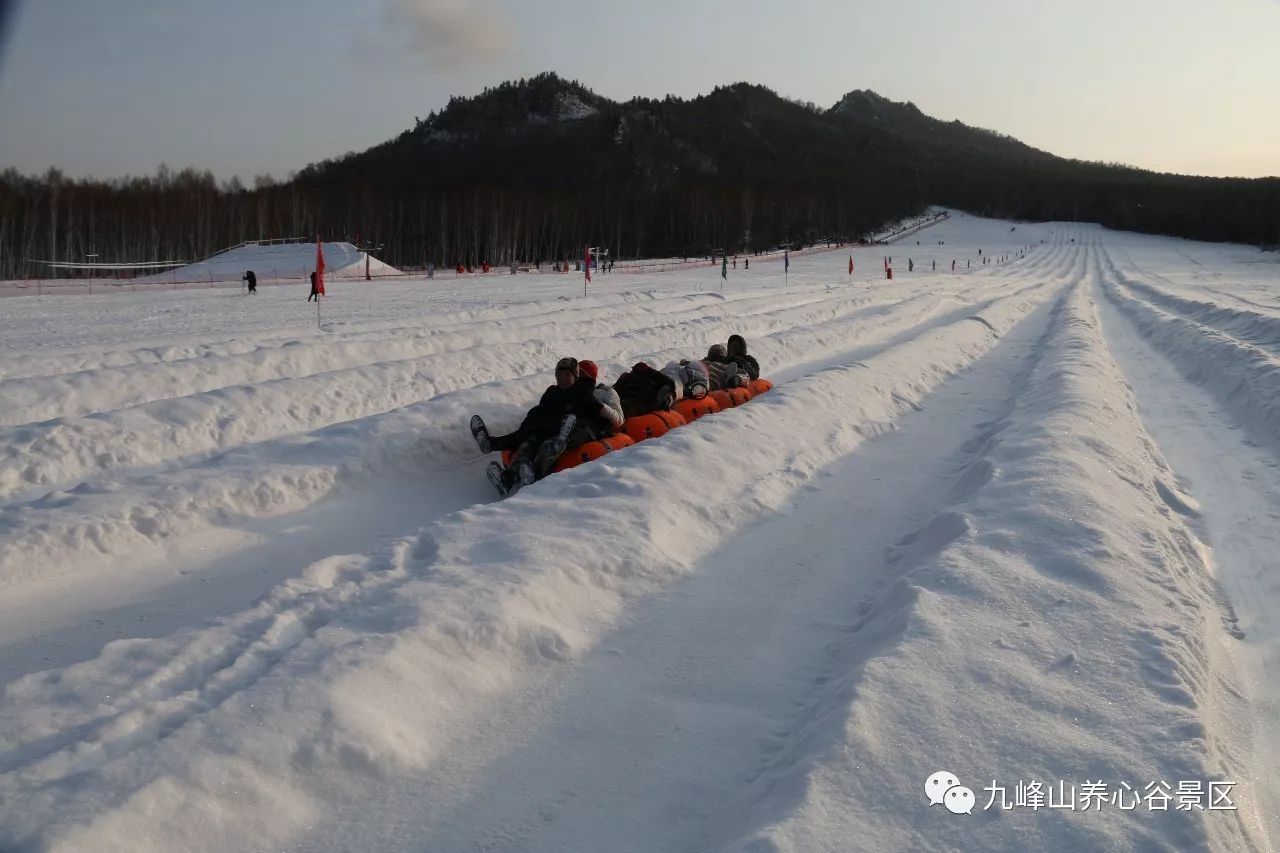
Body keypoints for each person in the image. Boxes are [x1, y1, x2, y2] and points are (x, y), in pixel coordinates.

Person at [470, 357, 620, 496]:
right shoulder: (556, 392)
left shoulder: (595, 393)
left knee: (549, 444)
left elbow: (615, 418)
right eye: (559, 376)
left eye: (567, 375)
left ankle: (533, 471)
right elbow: (542, 410)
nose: (562, 379)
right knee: (527, 443)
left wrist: (600, 414)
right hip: (550, 426)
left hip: (574, 429)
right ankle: (507, 478)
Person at [614, 361, 678, 418]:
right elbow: (615, 391)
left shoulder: (653, 375)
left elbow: (670, 383)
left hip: (640, 402)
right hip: (634, 401)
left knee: (625, 408)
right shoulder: (628, 377)